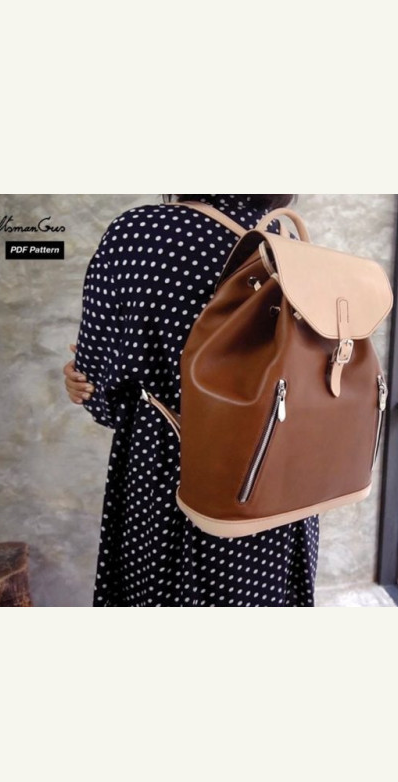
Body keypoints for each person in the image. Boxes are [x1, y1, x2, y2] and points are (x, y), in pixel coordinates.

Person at [63, 195, 319, 606]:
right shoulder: (285, 236)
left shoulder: (138, 232)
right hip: (280, 475)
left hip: (170, 472)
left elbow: (100, 394)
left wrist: (84, 382)